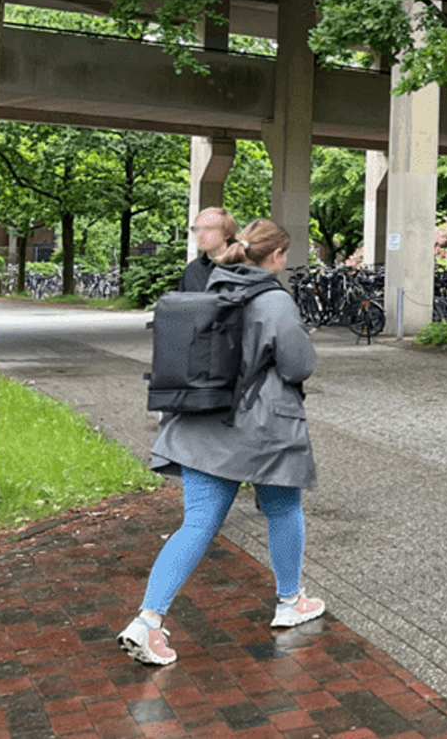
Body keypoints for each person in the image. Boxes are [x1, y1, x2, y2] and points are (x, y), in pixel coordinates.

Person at [118, 219, 321, 667]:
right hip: (263, 432)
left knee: (197, 524)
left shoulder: (207, 287)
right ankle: (290, 602)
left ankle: (147, 622)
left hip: (199, 426)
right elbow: (298, 364)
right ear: (277, 257)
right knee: (283, 509)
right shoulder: (273, 299)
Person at [178, 206, 238, 292]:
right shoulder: (193, 270)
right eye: (197, 229)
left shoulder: (245, 267)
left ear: (226, 233)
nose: (200, 234)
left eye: (208, 228)